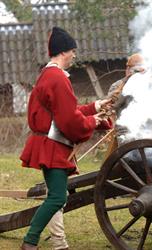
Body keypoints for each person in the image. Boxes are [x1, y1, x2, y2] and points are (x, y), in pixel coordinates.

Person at [19, 26, 112, 250]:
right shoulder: (57, 78)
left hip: (49, 143)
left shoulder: (49, 75)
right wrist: (93, 121)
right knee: (58, 198)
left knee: (56, 196)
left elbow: (66, 111)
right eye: (73, 51)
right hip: (52, 146)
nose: (74, 56)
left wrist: (95, 107)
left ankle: (54, 243)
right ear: (63, 52)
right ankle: (30, 242)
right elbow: (69, 120)